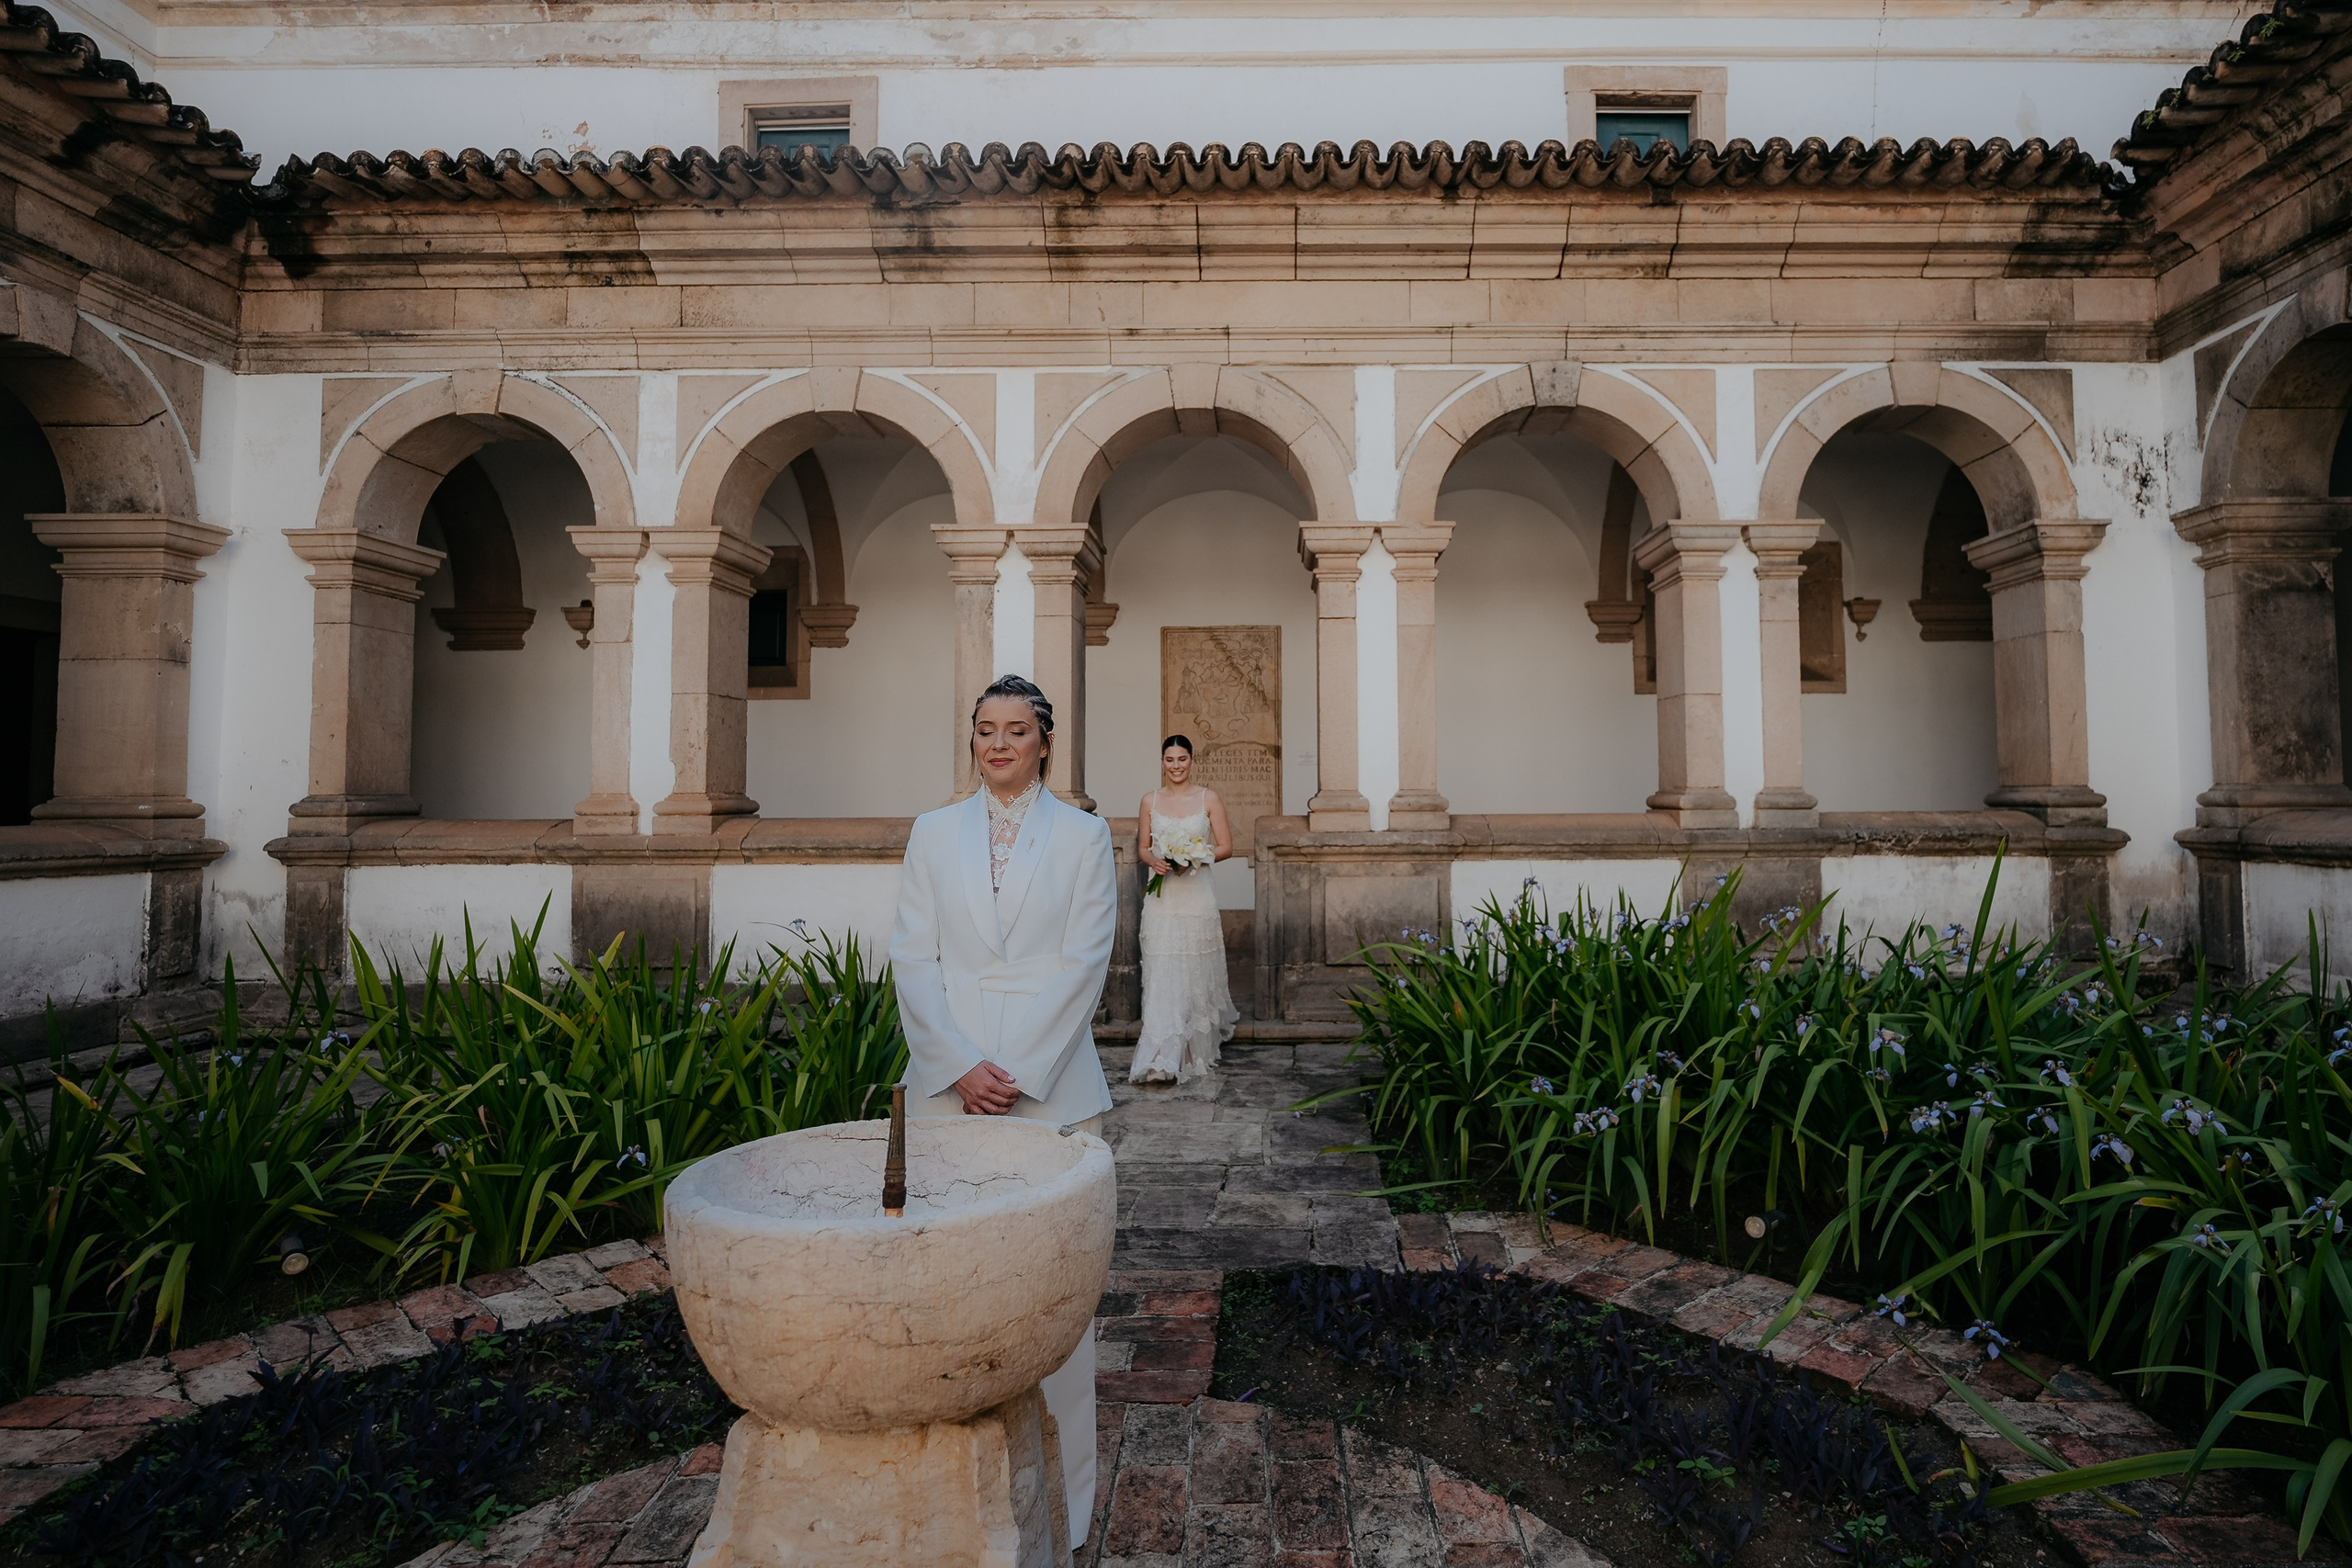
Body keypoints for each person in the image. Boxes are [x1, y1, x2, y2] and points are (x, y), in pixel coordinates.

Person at [889, 672, 1115, 1550]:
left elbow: (1084, 960)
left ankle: (1066, 1507)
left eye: (1015, 730)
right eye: (984, 729)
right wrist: (958, 1067)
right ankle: (951, 1498)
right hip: (950, 1090)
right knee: (947, 1287)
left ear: (1044, 743)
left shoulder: (1086, 836)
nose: (997, 743)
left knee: (1054, 1294)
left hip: (1050, 1089)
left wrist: (1013, 1070)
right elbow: (914, 955)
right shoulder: (931, 833)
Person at [1130, 734, 1238, 1085]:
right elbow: (1143, 847)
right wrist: (1157, 861)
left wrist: (1194, 855)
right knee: (1163, 967)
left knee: (1193, 967)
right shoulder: (1151, 799)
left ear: (1192, 760)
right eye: (1169, 760)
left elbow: (1225, 847)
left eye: (1182, 759)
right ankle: (1162, 1053)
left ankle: (1193, 1047)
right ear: (1162, 762)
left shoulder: (1209, 798)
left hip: (1196, 896)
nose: (1176, 766)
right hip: (1163, 898)